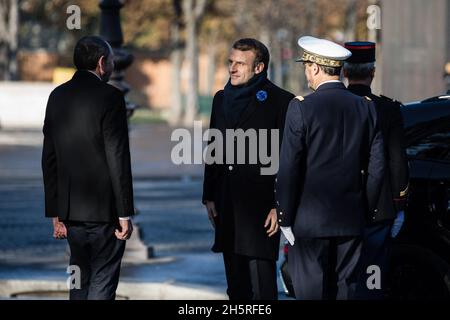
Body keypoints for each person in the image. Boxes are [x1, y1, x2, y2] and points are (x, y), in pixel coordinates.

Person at [275, 36, 385, 300]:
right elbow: (377, 168)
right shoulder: (366, 107)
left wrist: (285, 217)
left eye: (306, 67)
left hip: (309, 220)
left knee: (311, 292)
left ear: (314, 67)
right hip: (350, 218)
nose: (306, 73)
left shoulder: (301, 107)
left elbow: (290, 169)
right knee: (346, 291)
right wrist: (366, 209)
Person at [42, 35, 134, 300]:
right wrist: (124, 211)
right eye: (112, 61)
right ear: (102, 63)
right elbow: (117, 156)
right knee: (102, 281)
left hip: (71, 211)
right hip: (105, 212)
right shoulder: (111, 97)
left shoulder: (56, 96)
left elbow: (49, 158)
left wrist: (55, 212)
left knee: (78, 280)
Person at [202, 38, 294, 300]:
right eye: (231, 62)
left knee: (262, 289)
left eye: (240, 63)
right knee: (236, 289)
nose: (232, 68)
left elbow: (289, 159)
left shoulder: (281, 101)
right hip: (227, 204)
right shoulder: (221, 99)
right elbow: (214, 147)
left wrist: (280, 205)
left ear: (259, 67)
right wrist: (208, 195)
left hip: (261, 210)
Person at [343, 41, 409, 299]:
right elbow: (397, 161)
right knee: (372, 272)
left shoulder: (332, 105)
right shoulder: (387, 109)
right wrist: (399, 202)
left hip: (337, 203)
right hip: (378, 207)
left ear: (345, 72)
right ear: (372, 72)